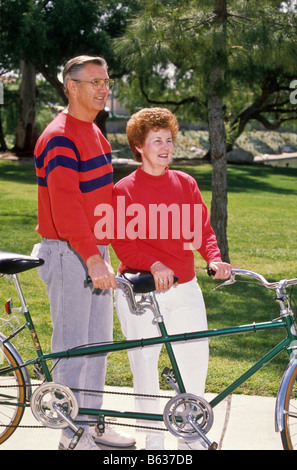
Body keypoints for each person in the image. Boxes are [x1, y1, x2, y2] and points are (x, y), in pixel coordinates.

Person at [112, 107, 231, 450]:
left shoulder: (185, 183)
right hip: (141, 292)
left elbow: (203, 232)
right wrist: (153, 265)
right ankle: (153, 441)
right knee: (146, 367)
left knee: (193, 362)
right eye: (156, 141)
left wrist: (214, 258)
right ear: (138, 146)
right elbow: (123, 244)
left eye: (168, 140)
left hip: (185, 288)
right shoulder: (124, 190)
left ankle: (190, 437)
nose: (165, 147)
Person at [34, 55, 135, 450]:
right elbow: (66, 206)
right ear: (70, 86)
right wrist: (93, 258)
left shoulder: (95, 134)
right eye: (94, 81)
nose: (103, 88)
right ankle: (70, 436)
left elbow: (101, 202)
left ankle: (91, 425)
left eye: (106, 80)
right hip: (68, 252)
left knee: (98, 344)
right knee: (73, 347)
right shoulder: (60, 136)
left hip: (95, 251)